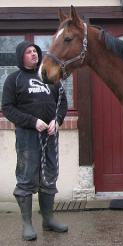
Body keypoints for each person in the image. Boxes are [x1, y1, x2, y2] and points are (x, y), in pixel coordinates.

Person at [1, 40, 68, 241]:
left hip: (49, 134)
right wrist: (33, 121)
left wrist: (58, 120)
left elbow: (62, 102)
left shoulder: (49, 76)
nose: (33, 54)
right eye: (29, 52)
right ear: (21, 56)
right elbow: (8, 108)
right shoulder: (14, 80)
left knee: (49, 175)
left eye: (35, 51)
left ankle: (48, 219)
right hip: (27, 137)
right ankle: (28, 224)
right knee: (26, 177)